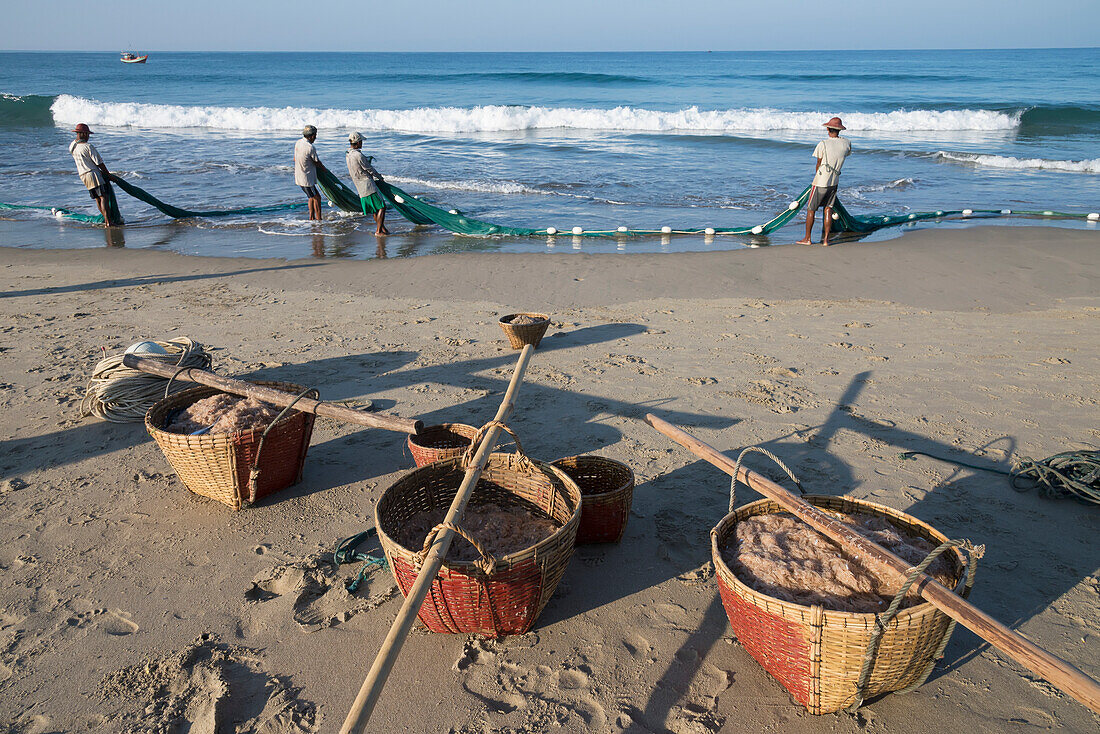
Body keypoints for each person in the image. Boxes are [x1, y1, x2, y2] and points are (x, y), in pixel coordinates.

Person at [797, 117, 852, 246]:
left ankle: (807, 239)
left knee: (811, 209)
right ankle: (826, 240)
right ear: (840, 130)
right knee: (828, 209)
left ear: (828, 129)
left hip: (821, 181)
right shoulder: (847, 143)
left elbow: (818, 164)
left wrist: (816, 178)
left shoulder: (823, 144)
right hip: (834, 181)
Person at [68, 123, 120, 226]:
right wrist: (108, 175)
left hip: (83, 175)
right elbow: (99, 163)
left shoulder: (72, 146)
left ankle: (106, 220)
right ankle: (108, 222)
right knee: (103, 197)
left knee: (97, 198)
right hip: (92, 174)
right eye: (87, 134)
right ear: (83, 134)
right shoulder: (88, 147)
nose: (88, 137)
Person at [345, 131, 389, 235]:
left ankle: (382, 229)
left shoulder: (348, 155)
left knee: (375, 209)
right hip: (368, 185)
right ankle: (378, 231)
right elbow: (369, 169)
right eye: (361, 141)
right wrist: (379, 177)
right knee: (382, 207)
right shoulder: (358, 155)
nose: (362, 143)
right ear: (358, 142)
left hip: (359, 186)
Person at [295, 125, 329, 221]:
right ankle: (319, 219)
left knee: (311, 197)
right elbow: (316, 162)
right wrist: (325, 170)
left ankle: (312, 217)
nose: (315, 137)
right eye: (315, 135)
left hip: (299, 176)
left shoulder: (298, 143)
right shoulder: (310, 147)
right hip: (306, 179)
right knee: (317, 198)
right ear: (312, 136)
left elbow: (295, 158)